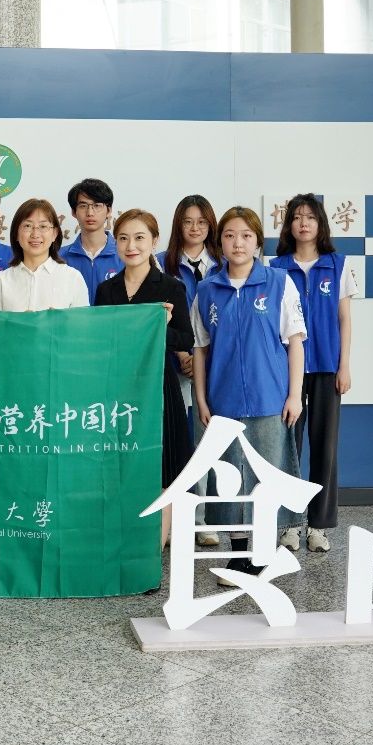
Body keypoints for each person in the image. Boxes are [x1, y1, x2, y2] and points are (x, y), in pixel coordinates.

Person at [191, 206, 306, 584]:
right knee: (230, 478)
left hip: (269, 399)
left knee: (266, 476)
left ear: (257, 242)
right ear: (220, 242)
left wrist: (294, 395)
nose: (237, 243)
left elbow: (295, 342)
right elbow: (200, 349)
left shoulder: (279, 283)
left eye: (245, 235)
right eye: (229, 235)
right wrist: (202, 399)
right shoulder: (208, 290)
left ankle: (263, 554)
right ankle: (239, 555)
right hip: (223, 402)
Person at [94, 209, 194, 548]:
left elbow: (185, 339)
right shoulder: (106, 290)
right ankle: (123, 543)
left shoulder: (171, 287)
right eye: (123, 238)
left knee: (163, 468)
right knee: (121, 466)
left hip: (158, 389)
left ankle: (155, 548)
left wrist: (160, 327)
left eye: (139, 238)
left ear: (154, 241)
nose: (131, 246)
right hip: (116, 389)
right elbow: (97, 341)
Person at [269, 193, 356, 553]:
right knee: (287, 448)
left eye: (310, 217)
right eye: (296, 217)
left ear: (321, 224)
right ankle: (289, 524)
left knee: (325, 448)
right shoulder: (275, 267)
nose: (303, 223)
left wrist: (344, 365)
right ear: (288, 224)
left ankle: (318, 526)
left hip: (326, 368)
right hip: (287, 370)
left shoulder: (337, 265)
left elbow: (345, 319)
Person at [160, 195, 223, 546]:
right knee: (179, 445)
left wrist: (202, 359)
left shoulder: (224, 263)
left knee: (208, 445)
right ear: (178, 225)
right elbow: (162, 317)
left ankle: (202, 520)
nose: (195, 228)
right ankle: (177, 519)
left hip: (216, 368)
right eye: (188, 221)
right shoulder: (162, 264)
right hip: (175, 367)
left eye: (201, 221)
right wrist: (184, 354)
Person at [0, 198, 88, 312]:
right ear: (16, 233)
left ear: (54, 234)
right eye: (28, 226)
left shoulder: (73, 278)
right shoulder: (1, 281)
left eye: (43, 226)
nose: (35, 234)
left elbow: (81, 322)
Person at [59, 178, 124, 305]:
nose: (90, 213)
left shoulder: (125, 255)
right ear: (74, 212)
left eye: (97, 205)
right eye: (83, 206)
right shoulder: (59, 258)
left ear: (109, 210)